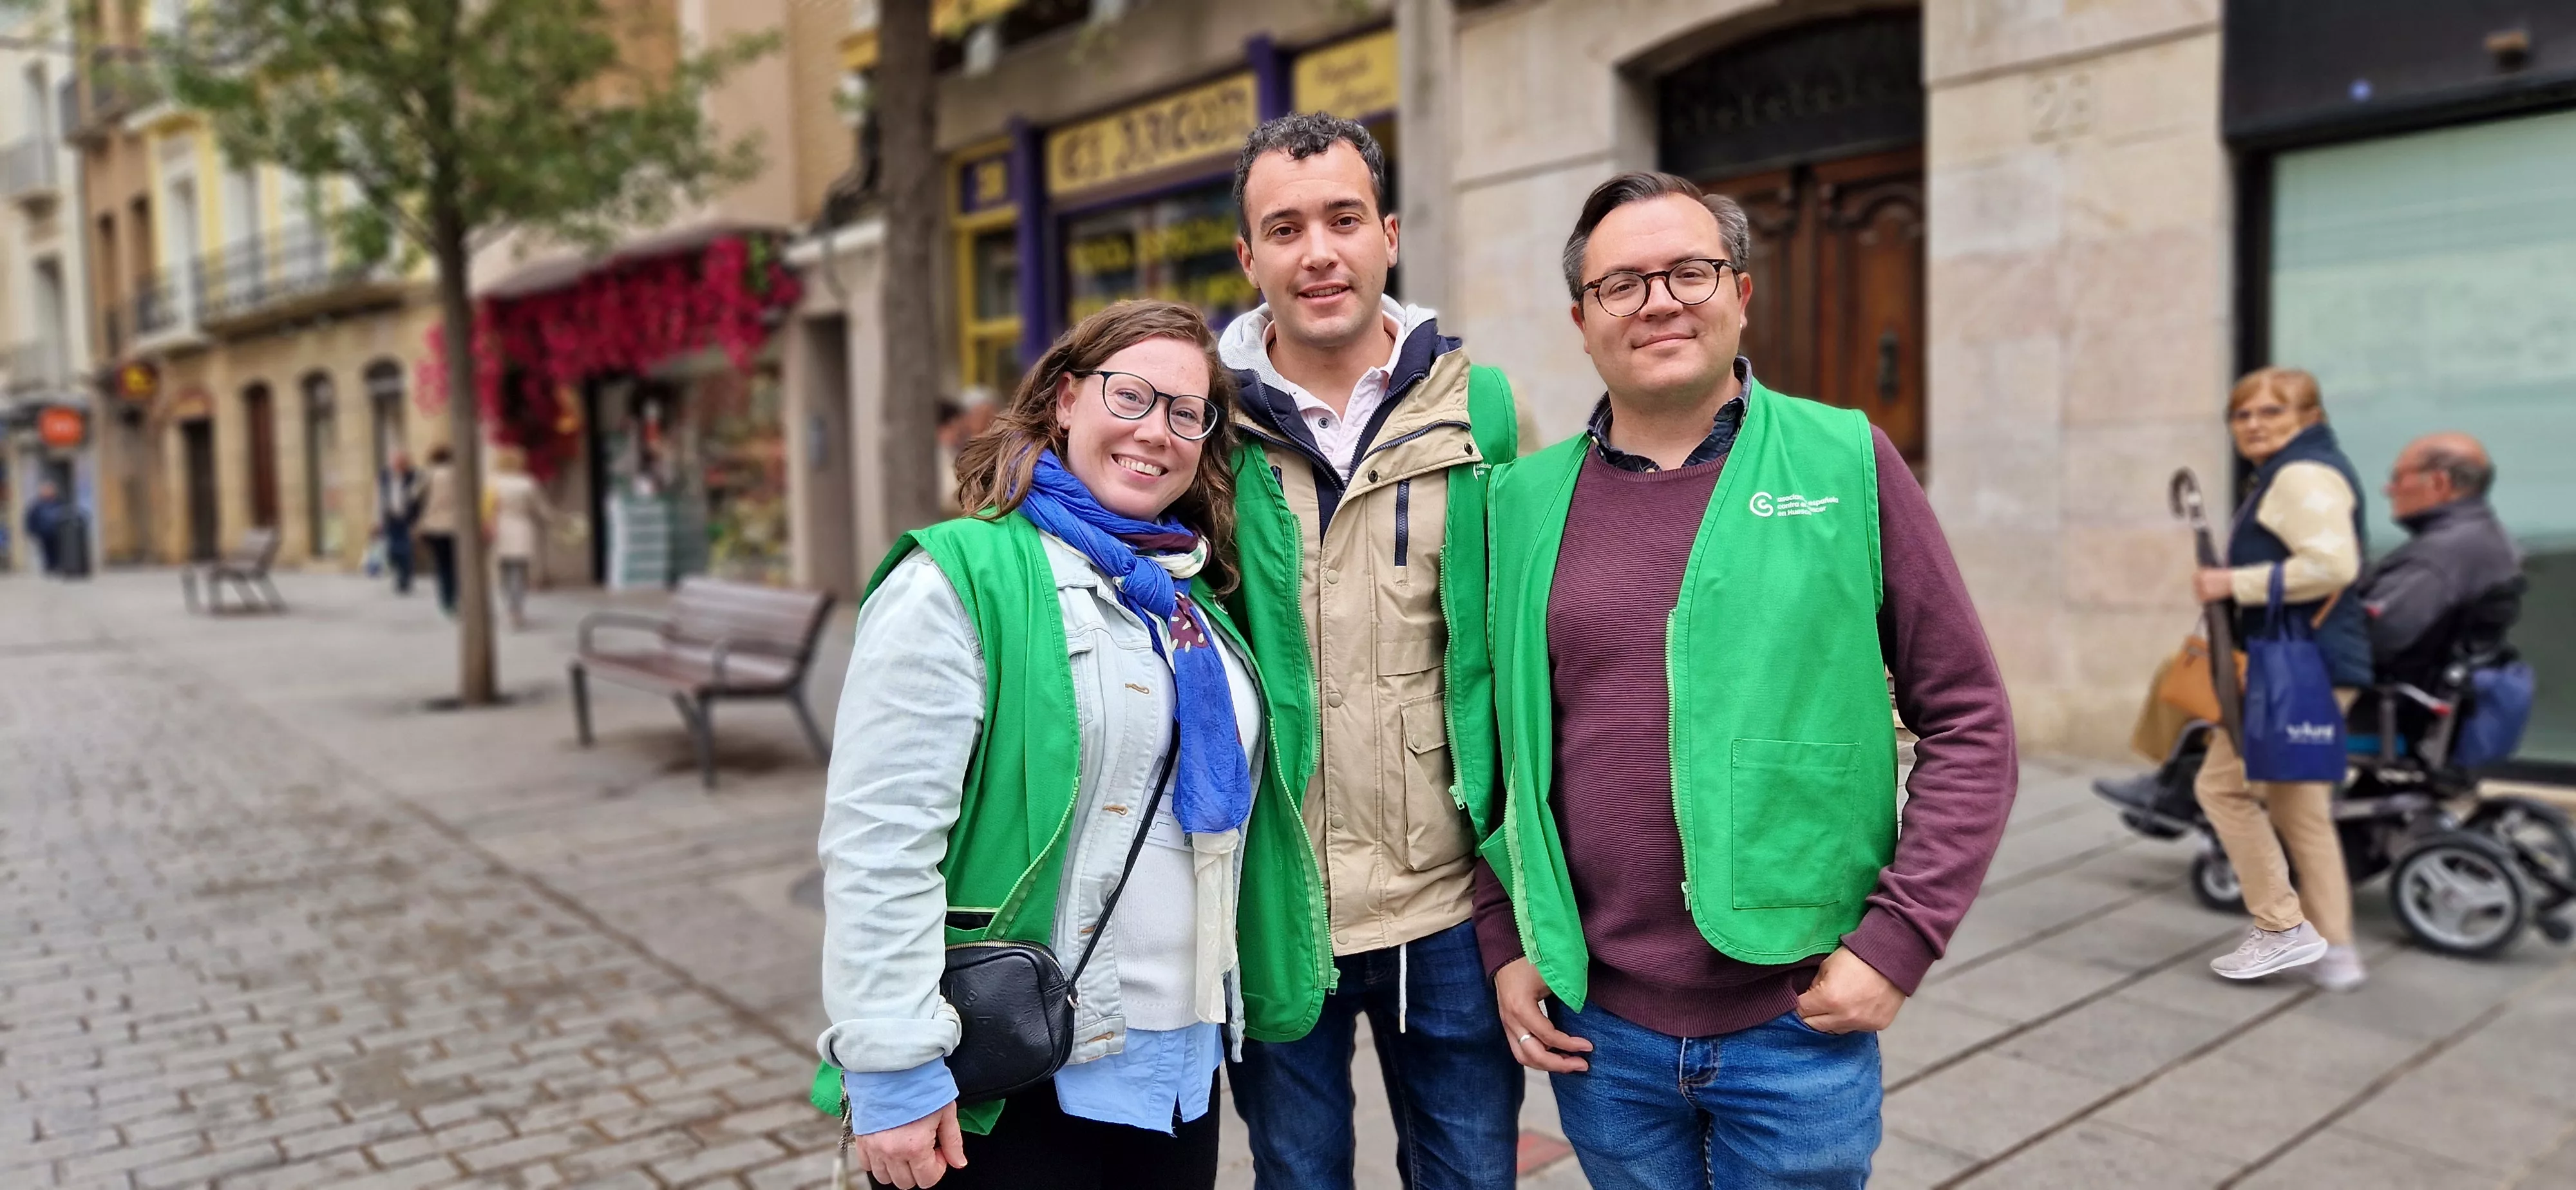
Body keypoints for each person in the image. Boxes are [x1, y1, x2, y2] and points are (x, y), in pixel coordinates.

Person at [1473, 172, 2017, 1190]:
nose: (1661, 301)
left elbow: (1971, 719)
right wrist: (1506, 937)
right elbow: (1493, 745)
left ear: (1741, 293)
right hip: (1599, 1025)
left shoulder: (1845, 458)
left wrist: (1898, 940)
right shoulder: (1521, 501)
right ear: (1582, 320)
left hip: (1794, 1016)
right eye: (1623, 284)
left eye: (1689, 270)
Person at [819, 301, 1314, 1190]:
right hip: (1023, 1071)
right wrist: (892, 1065)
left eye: (1185, 412)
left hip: (1175, 1066)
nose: (1155, 431)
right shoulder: (959, 577)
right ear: (1064, 402)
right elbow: (879, 838)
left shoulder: (1189, 594)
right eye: (1130, 396)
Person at [1216, 113, 1530, 1190]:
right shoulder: (1204, 432)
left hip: (1446, 902)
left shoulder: (1481, 406)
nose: (1320, 252)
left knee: (1473, 1175)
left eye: (1344, 218)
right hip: (1275, 896)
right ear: (1248, 257)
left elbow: (1521, 650)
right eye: (1286, 227)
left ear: (1389, 234)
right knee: (1298, 1176)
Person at [2189, 366, 2372, 990]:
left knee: (2221, 787)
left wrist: (2229, 584)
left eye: (2270, 412)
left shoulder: (2300, 475)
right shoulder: (2295, 470)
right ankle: (2336, 952)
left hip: (2295, 665)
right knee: (2301, 811)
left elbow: (2333, 563)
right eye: (2242, 415)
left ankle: (2282, 927)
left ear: (2308, 417)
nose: (2253, 425)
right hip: (2309, 661)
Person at [2362, 432, 2521, 687]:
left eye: (2397, 478)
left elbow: (2371, 641)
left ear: (2439, 483)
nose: (2388, 489)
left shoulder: (2438, 556)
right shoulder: (2488, 536)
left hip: (2392, 715)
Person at [485, 448, 554, 630]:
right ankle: (517, 610)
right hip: (523, 528)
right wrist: (555, 520)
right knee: (519, 571)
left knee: (504, 571)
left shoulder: (493, 483)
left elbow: (486, 508)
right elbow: (541, 508)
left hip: (500, 529)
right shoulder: (528, 483)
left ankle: (509, 606)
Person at [416, 445, 461, 616]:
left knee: (442, 564)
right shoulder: (458, 473)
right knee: (455, 563)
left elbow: (414, 495)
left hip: (434, 524)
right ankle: (456, 597)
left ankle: (446, 600)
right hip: (456, 525)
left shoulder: (429, 474)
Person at [378, 451, 424, 595]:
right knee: (392, 550)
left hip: (407, 518)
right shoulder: (385, 476)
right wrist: (377, 520)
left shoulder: (414, 476)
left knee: (406, 550)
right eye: (395, 462)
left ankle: (404, 580)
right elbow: (379, 498)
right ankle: (399, 574)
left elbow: (418, 497)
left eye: (401, 462)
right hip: (391, 517)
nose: (397, 465)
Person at [22, 480, 66, 575]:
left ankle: (57, 565)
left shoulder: (59, 503)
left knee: (57, 550)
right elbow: (31, 518)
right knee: (46, 551)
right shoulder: (37, 505)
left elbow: (65, 515)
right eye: (45, 490)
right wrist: (31, 530)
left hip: (57, 532)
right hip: (43, 532)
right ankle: (49, 567)